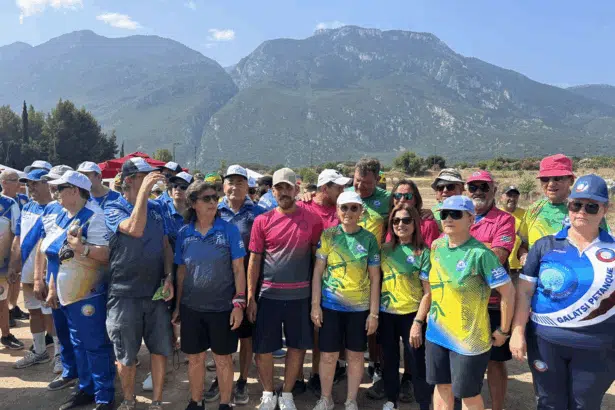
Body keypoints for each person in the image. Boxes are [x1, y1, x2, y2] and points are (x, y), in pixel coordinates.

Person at [510, 174, 615, 410]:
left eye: (591, 206)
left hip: (598, 347)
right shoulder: (545, 246)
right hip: (545, 343)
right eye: (576, 205)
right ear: (569, 205)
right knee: (549, 403)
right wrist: (517, 331)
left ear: (604, 209)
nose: (582, 212)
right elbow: (525, 293)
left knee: (585, 405)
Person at [426, 196, 515, 410]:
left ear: (471, 220)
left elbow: (508, 292)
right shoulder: (437, 246)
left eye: (455, 214)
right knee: (442, 386)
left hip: (469, 339)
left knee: (468, 395)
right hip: (436, 332)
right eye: (444, 214)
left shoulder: (481, 254)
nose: (448, 218)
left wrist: (504, 331)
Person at [247, 168, 323, 410]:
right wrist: (250, 296)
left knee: (297, 347)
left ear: (296, 189)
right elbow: (254, 260)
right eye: (278, 188)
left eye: (288, 187)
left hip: (300, 296)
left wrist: (316, 298)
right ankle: (268, 393)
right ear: (272, 191)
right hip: (268, 295)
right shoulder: (262, 220)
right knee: (263, 348)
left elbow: (317, 260)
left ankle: (287, 393)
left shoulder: (312, 220)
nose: (283, 192)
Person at [40, 171, 115, 410]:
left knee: (95, 345)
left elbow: (107, 254)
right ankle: (86, 388)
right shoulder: (65, 215)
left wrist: (82, 248)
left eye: (59, 189)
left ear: (74, 191)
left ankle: (104, 396)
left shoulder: (94, 216)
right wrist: (53, 287)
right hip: (68, 294)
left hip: (88, 294)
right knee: (78, 344)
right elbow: (56, 256)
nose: (55, 194)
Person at [104, 158, 175, 410]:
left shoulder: (158, 208)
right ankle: (128, 400)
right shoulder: (113, 207)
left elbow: (165, 245)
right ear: (129, 180)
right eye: (144, 177)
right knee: (126, 353)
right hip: (124, 294)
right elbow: (134, 228)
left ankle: (156, 401)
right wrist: (144, 193)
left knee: (159, 349)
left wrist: (169, 276)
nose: (150, 180)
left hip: (155, 292)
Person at [173, 181, 247, 410]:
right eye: (207, 198)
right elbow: (181, 272)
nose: (213, 202)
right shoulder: (184, 233)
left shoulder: (229, 230)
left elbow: (239, 269)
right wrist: (178, 306)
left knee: (223, 359)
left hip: (222, 308)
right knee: (195, 359)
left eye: (215, 197)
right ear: (193, 203)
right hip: (191, 308)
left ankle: (224, 404)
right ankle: (196, 402)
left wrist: (239, 304)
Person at [310, 191, 380, 410]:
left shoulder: (369, 239)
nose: (348, 212)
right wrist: (315, 305)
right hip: (330, 306)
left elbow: (375, 277)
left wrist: (374, 313)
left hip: (359, 309)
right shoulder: (328, 235)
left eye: (354, 208)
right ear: (337, 210)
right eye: (344, 207)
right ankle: (326, 398)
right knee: (328, 356)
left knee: (356, 356)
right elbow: (318, 272)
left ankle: (351, 400)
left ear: (361, 212)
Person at [206, 165, 265, 405]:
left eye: (240, 182)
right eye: (230, 182)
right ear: (224, 186)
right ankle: (222, 378)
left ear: (248, 186)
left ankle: (242, 380)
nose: (234, 187)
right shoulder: (213, 210)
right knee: (220, 334)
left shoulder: (259, 213)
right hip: (219, 284)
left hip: (248, 283)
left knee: (246, 335)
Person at [463, 170, 517, 410]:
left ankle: (496, 407)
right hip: (464, 301)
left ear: (494, 190)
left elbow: (497, 258)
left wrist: (464, 252)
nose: (478, 192)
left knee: (495, 361)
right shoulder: (459, 214)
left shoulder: (504, 219)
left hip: (494, 303)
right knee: (465, 358)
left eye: (484, 187)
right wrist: (484, 247)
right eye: (473, 187)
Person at [296, 169, 350, 395]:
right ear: (324, 188)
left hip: (330, 280)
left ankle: (317, 374)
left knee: (321, 328)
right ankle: (296, 377)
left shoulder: (341, 209)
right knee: (300, 329)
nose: (343, 190)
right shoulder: (302, 206)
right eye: (338, 187)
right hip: (300, 276)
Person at [379, 203, 432, 410]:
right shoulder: (384, 250)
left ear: (415, 223)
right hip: (386, 313)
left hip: (412, 315)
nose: (400, 224)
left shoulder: (424, 252)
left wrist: (418, 322)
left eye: (406, 220)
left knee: (417, 362)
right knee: (389, 360)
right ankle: (391, 401)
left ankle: (424, 404)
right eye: (396, 221)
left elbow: (428, 292)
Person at [518, 154, 609, 263]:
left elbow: (605, 246)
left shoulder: (586, 211)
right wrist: (524, 257)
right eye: (545, 179)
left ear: (571, 180)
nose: (551, 184)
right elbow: (523, 245)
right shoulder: (533, 210)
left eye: (558, 178)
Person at [9, 169, 58, 369]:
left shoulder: (57, 209)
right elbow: (18, 237)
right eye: (28, 184)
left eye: (35, 183)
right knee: (34, 312)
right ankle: (39, 351)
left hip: (46, 273)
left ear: (47, 183)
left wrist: (44, 273)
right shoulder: (28, 207)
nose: (31, 188)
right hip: (27, 271)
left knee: (50, 314)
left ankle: (60, 355)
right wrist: (14, 264)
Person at [0, 170, 30, 327]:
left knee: (16, 279)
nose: (19, 184)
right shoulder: (5, 203)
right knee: (6, 282)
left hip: (19, 248)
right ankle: (7, 311)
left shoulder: (24, 199)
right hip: (5, 250)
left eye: (19, 180)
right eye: (14, 180)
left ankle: (13, 307)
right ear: (4, 183)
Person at [0, 186, 24, 350]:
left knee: (1, 300)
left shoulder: (9, 204)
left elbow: (17, 233)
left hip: (2, 264)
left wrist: (14, 263)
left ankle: (6, 335)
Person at [390, 179, 439, 247]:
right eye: (397, 196)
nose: (402, 200)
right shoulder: (391, 221)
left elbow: (431, 251)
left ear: (416, 199)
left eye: (408, 196)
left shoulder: (428, 225)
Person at [500, 186, 526, 277]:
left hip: (518, 268)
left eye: (515, 196)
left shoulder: (525, 214)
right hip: (499, 266)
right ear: (501, 197)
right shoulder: (495, 215)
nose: (512, 199)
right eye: (509, 195)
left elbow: (526, 239)